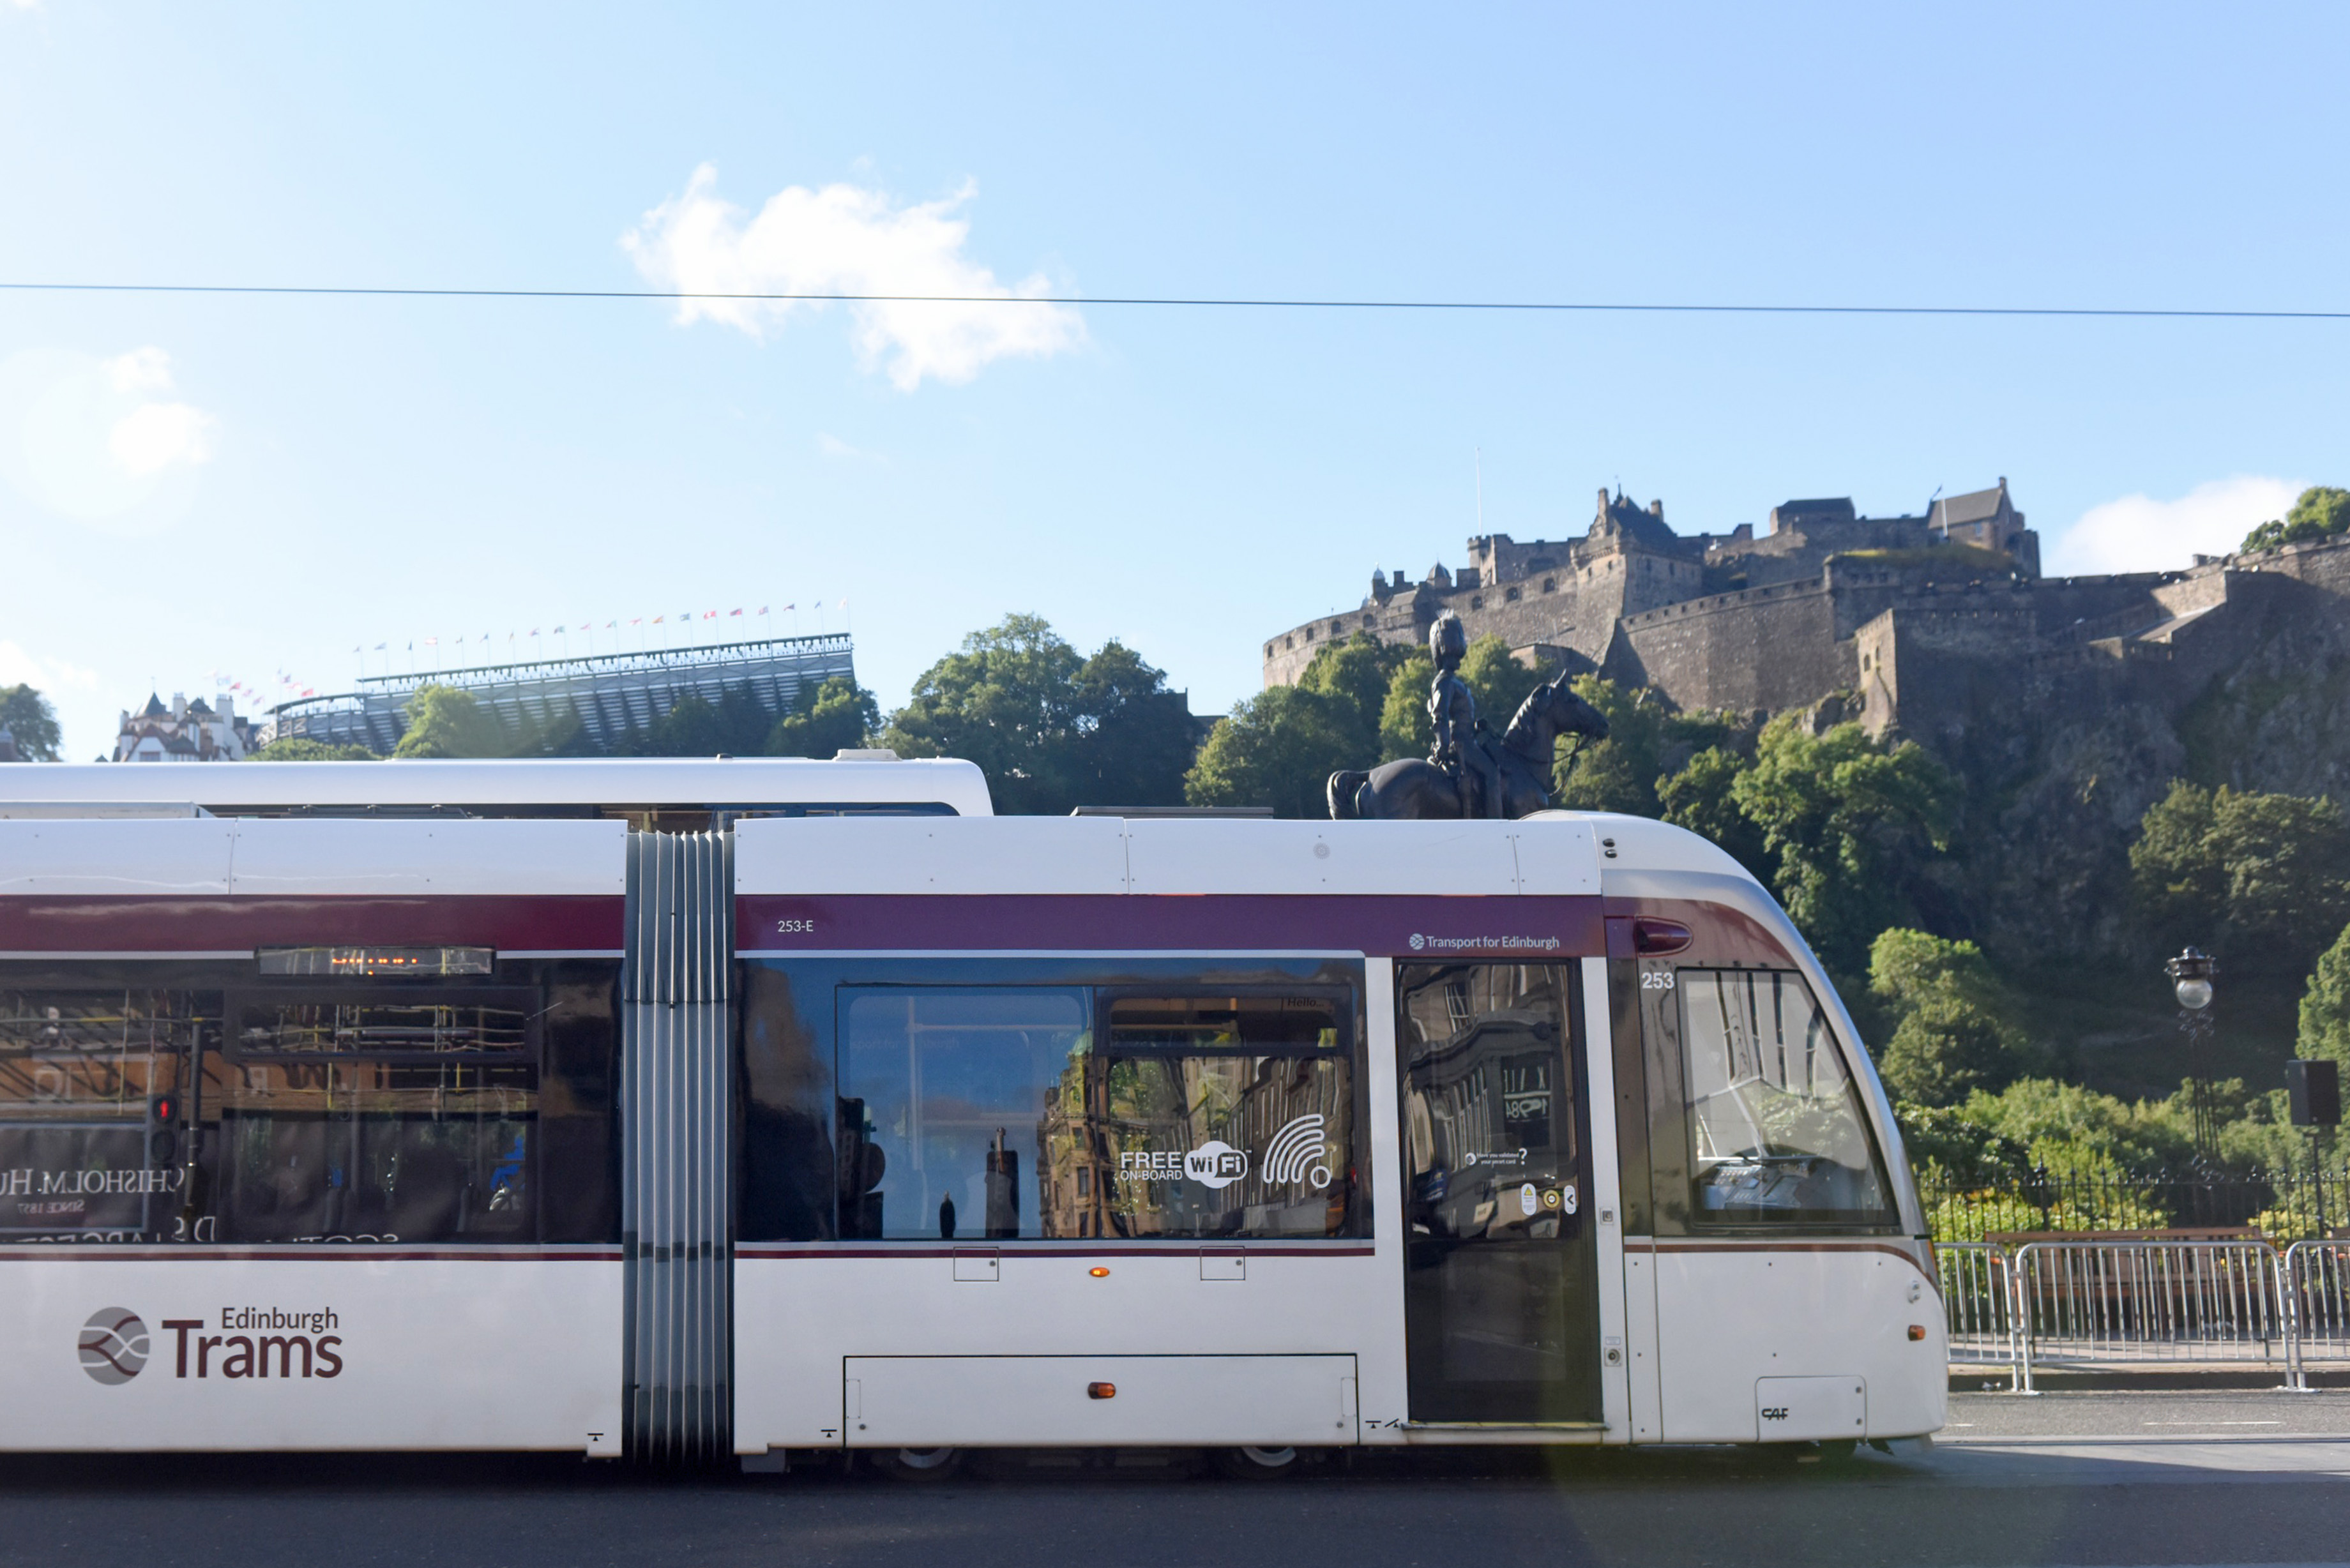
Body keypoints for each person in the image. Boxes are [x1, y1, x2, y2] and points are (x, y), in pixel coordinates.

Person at [1425, 614, 1501, 818]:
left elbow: (1457, 718)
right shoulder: (1444, 682)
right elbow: (1440, 716)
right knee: (1493, 774)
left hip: (1468, 738)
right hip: (1462, 744)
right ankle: (1497, 826)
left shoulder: (1453, 681)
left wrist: (1476, 726)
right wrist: (1442, 745)